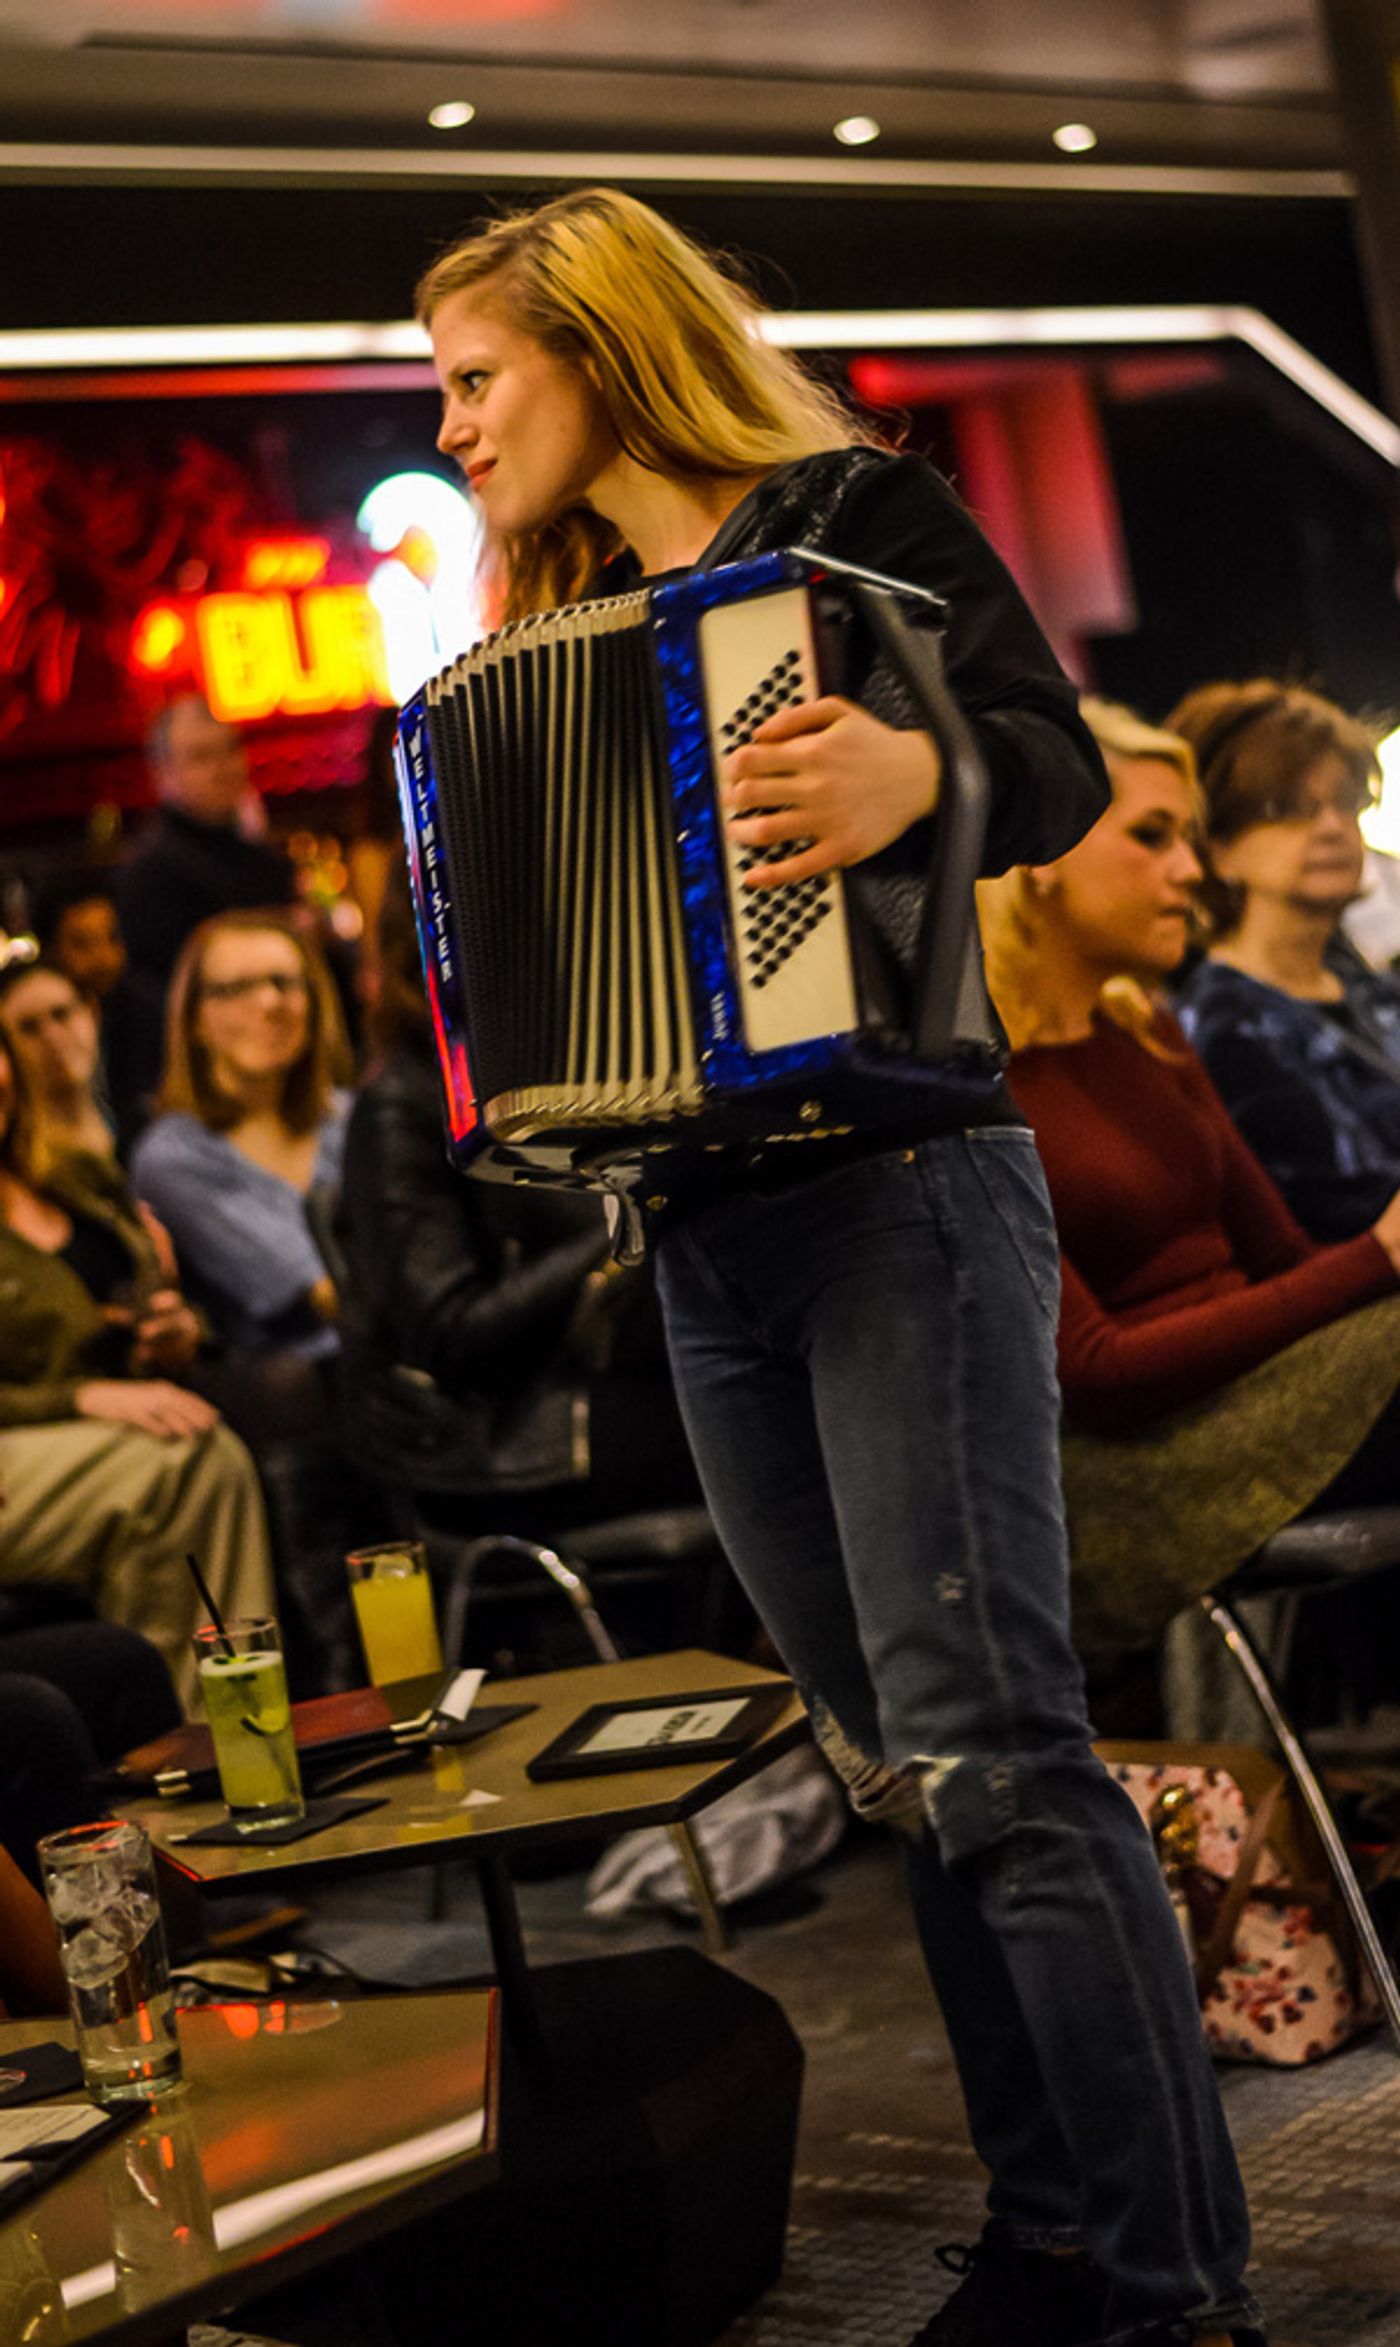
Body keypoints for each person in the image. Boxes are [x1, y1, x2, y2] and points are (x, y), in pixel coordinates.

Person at [411, 186, 1263, 2347]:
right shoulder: (571, 610)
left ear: (597, 348)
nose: (451, 418)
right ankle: (1053, 2228)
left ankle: (1168, 2284)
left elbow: (1061, 767)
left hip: (904, 1190)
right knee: (899, 1762)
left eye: (473, 377)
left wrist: (923, 769)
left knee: (999, 1746)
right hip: (706, 1230)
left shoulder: (857, 516)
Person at [978, 699, 1400, 1668]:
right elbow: (1093, 1376)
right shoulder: (971, 1081)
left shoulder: (1146, 1031)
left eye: (1193, 839)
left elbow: (1283, 1264)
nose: (1189, 872)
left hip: (1264, 1401)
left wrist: (1367, 1272)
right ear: (1038, 853)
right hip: (1137, 1472)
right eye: (1151, 836)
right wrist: (1377, 1257)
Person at [336, 864, 701, 1532]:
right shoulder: (400, 1108)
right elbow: (452, 1337)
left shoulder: (543, 1071)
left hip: (590, 1383)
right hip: (490, 1434)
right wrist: (630, 1216)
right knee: (750, 1411)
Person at [0, 1028, 276, 1709]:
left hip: (119, 1415)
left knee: (220, 1445)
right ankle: (191, 1742)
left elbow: (148, 1290)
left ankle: (233, 1733)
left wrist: (179, 1330)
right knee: (182, 1468)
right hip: (26, 1430)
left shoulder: (71, 1175)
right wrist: (84, 1396)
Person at [131, 911, 364, 1690]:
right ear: (196, 1019)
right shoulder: (175, 1151)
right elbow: (319, 1287)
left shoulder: (351, 1119)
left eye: (285, 981)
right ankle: (338, 1666)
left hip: (376, 1364)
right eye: (236, 987)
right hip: (274, 1385)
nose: (269, 1002)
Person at [1167, 679, 1400, 1241]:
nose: (1330, 827)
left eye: (1345, 802)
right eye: (1286, 808)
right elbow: (1352, 1207)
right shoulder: (1225, 1021)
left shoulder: (1369, 989)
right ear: (1216, 847)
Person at [117, 695, 295, 999]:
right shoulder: (151, 872)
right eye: (201, 756)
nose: (223, 768)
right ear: (163, 774)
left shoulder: (260, 856)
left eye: (230, 749)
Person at [32, 867, 164, 1146]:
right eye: (82, 944)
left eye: (112, 938)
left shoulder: (147, 1010)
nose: (103, 958)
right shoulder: (34, 1022)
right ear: (49, 950)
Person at [0, 956, 117, 1170]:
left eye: (61, 1014)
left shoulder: (133, 1124)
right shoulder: (22, 1172)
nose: (52, 1037)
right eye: (29, 1027)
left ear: (91, 1012)